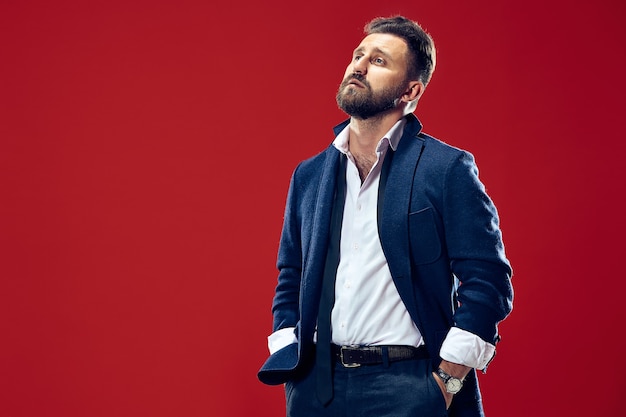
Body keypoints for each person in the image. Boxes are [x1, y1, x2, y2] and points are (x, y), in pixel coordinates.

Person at [257, 15, 513, 417]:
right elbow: (291, 272)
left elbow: (488, 280)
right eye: (358, 55)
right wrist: (288, 350)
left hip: (409, 385)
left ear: (411, 90)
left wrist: (446, 381)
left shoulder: (446, 168)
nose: (358, 65)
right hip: (316, 388)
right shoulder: (309, 175)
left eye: (378, 61)